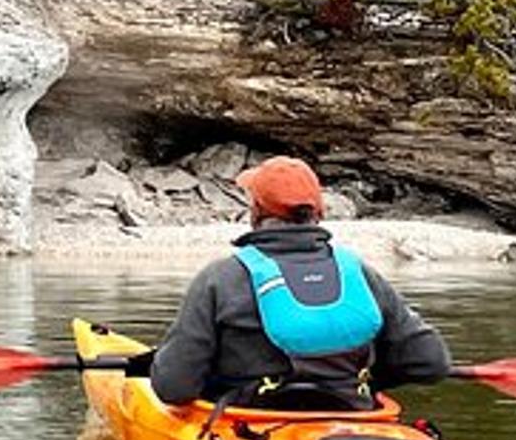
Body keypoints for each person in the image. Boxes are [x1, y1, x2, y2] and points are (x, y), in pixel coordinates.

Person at [146, 155, 450, 412]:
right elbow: (430, 363)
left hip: (252, 423)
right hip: (352, 415)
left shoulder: (220, 279)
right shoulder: (360, 273)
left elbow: (174, 388)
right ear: (319, 212)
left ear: (257, 212)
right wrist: (363, 378)